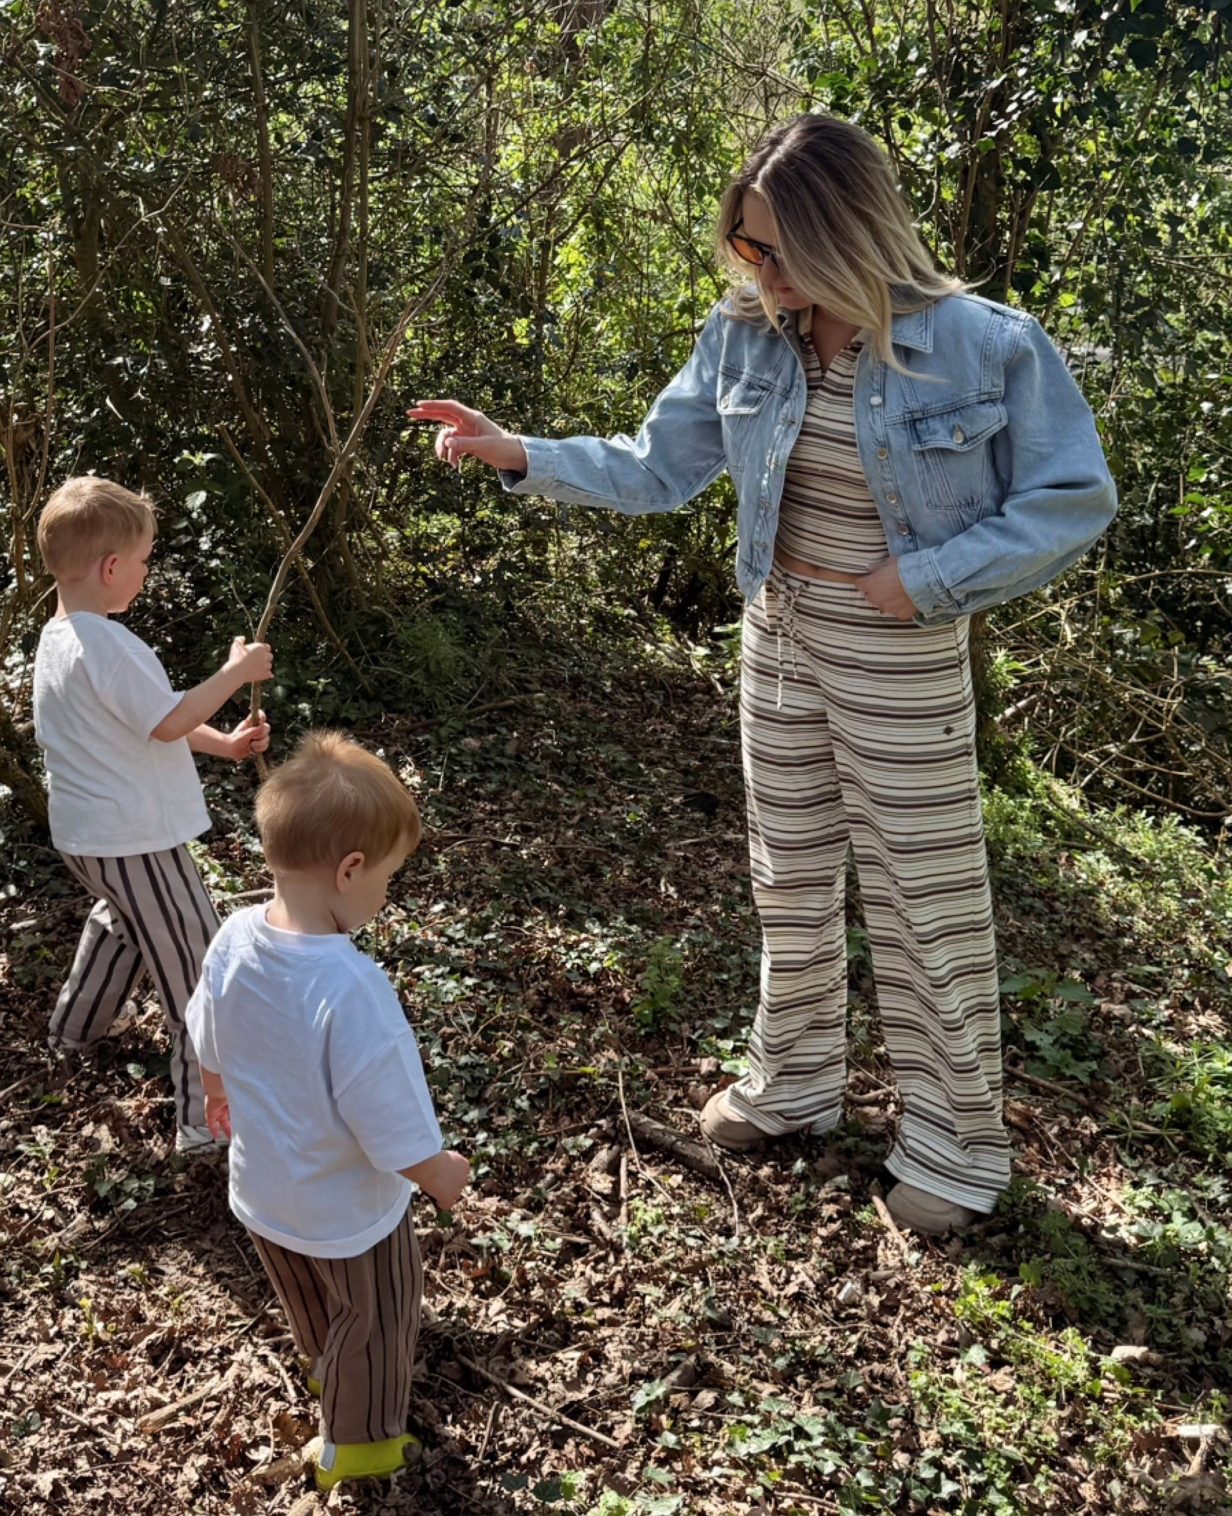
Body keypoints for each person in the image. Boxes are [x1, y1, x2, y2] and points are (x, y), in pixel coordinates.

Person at [409, 113, 1116, 1236]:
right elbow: (657, 466)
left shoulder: (984, 341)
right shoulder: (746, 335)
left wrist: (930, 575)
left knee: (922, 899)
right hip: (776, 635)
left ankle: (957, 1147)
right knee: (787, 875)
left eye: (778, 249)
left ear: (851, 233)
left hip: (898, 649)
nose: (759, 271)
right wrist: (520, 452)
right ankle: (791, 1084)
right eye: (746, 245)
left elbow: (1073, 498)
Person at [186, 730, 470, 1490]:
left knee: (311, 1301)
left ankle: (323, 1372)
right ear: (348, 871)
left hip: (264, 1193)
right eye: (386, 879)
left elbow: (205, 1031)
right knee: (375, 1320)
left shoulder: (234, 934)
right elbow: (387, 1121)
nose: (384, 894)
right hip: (347, 1211)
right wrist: (438, 1172)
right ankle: (361, 1438)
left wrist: (216, 1091)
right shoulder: (351, 990)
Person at [32, 475, 272, 1151]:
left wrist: (222, 744)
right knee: (198, 967)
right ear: (110, 568)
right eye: (141, 561)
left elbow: (144, 720)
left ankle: (71, 1032)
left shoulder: (62, 638)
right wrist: (237, 671)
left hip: (91, 841)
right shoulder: (106, 645)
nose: (143, 572)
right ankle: (207, 1123)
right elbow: (167, 718)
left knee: (122, 923)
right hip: (132, 841)